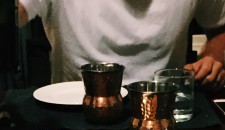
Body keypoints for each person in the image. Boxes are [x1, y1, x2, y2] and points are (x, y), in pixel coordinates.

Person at [18, 0, 225, 91]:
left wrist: (212, 58)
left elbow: (220, 28)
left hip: (163, 109)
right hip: (73, 111)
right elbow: (14, 14)